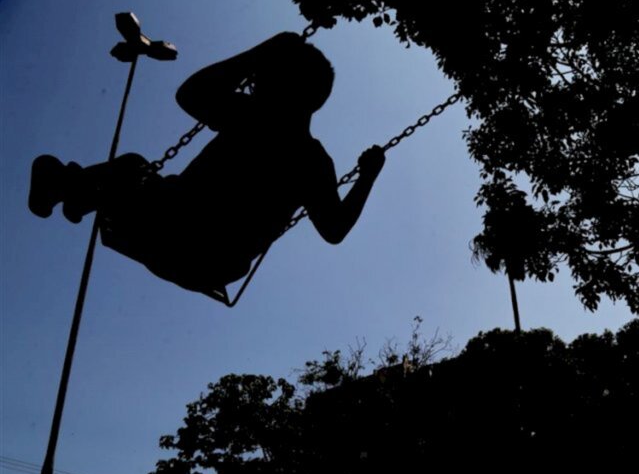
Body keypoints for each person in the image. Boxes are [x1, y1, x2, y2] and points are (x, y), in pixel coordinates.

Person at [28, 32, 385, 293]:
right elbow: (334, 229)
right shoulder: (313, 161)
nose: (252, 86)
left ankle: (71, 189)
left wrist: (261, 51)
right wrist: (367, 177)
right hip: (211, 264)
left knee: (132, 169)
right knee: (134, 175)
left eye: (261, 80)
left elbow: (191, 93)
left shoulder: (251, 119)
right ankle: (77, 196)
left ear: (278, 87)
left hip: (178, 229)